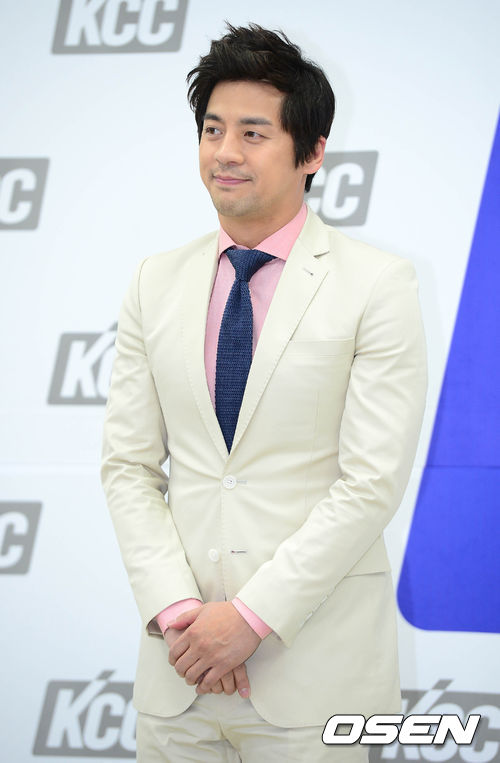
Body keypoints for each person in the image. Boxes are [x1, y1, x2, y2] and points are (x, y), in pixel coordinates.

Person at [101, 22, 427, 762]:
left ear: (312, 152)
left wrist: (249, 618)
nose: (225, 152)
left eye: (253, 133)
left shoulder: (377, 283)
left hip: (316, 678)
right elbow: (128, 466)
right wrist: (180, 614)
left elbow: (370, 481)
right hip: (179, 674)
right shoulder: (154, 280)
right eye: (213, 129)